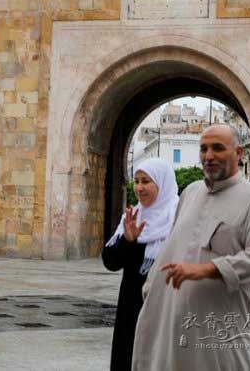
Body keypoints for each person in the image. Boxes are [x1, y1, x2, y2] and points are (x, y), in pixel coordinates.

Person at [132, 124, 250, 370]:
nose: (209, 156)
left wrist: (209, 269)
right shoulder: (191, 192)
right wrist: (151, 289)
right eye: (204, 149)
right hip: (173, 320)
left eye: (218, 148)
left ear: (239, 153)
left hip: (220, 327)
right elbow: (173, 244)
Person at [102, 158, 179, 371]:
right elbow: (110, 262)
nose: (139, 187)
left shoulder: (178, 219)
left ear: (161, 184)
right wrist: (128, 240)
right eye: (136, 181)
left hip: (165, 308)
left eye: (146, 181)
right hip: (131, 310)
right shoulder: (133, 217)